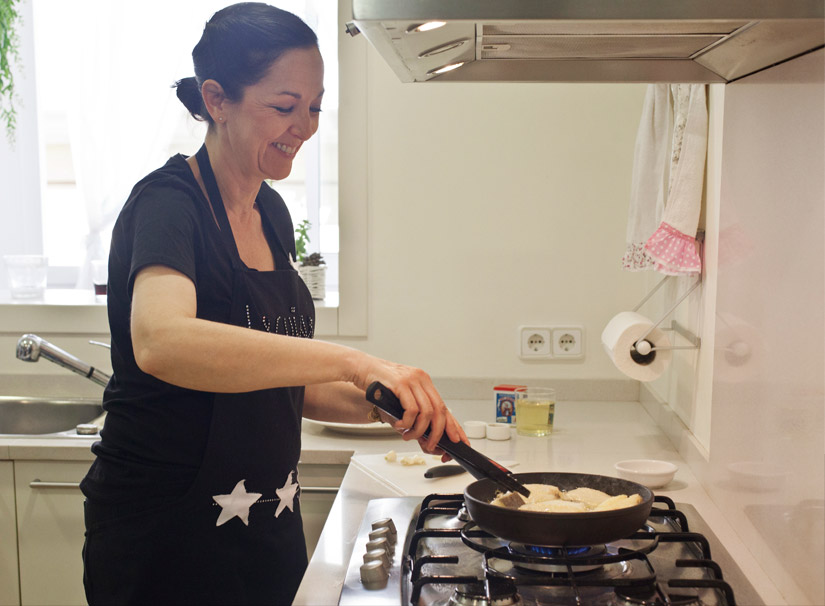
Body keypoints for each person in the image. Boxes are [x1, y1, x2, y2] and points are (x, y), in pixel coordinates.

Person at [79, 4, 467, 604]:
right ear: (217, 99)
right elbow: (162, 342)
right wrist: (355, 363)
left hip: (265, 526)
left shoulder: (271, 213)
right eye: (284, 107)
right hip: (165, 539)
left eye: (313, 107)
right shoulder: (167, 204)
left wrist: (389, 407)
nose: (305, 126)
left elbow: (285, 384)